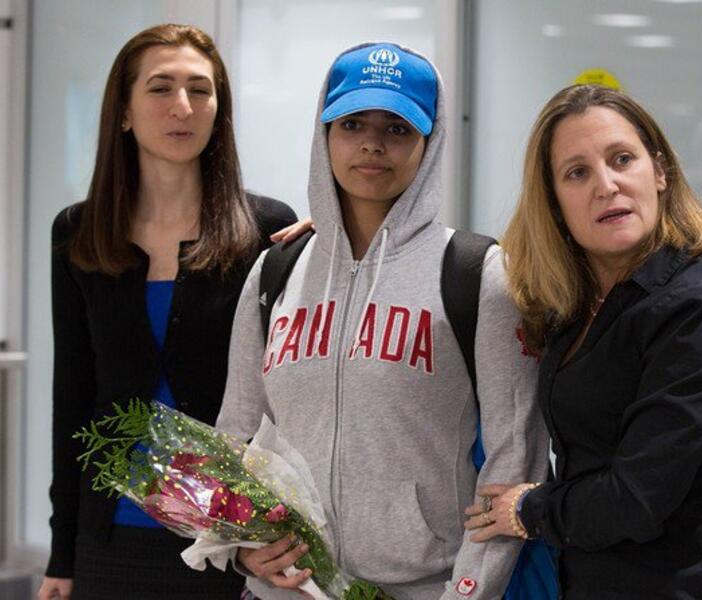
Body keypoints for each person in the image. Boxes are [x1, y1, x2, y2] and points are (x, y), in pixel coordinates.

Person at [211, 42, 550, 599]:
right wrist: (240, 548)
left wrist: (467, 593)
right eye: (351, 123)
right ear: (325, 136)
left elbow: (515, 459)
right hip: (285, 591)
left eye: (396, 128)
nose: (371, 142)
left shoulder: (476, 275)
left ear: (429, 141)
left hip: (421, 588)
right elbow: (237, 432)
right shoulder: (275, 273)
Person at [464, 84, 702, 599]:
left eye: (622, 159)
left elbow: (637, 497)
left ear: (658, 172)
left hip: (698, 586)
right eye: (578, 173)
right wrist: (336, 239)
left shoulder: (701, 305)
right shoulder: (573, 301)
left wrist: (528, 510)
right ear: (554, 202)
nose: (607, 185)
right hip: (600, 580)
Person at [39, 24, 298, 600]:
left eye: (200, 90)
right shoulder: (77, 234)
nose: (183, 107)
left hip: (231, 538)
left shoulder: (266, 230)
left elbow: (290, 392)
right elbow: (73, 397)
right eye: (161, 88)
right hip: (113, 533)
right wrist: (63, 556)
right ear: (124, 113)